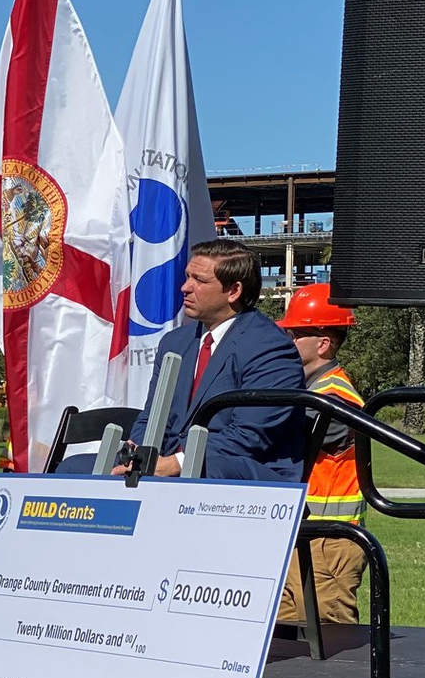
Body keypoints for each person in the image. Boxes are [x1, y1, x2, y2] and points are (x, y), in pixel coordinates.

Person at [115, 239, 307, 482]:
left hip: (240, 473)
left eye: (200, 280)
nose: (185, 287)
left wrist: (175, 464)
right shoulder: (174, 343)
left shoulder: (270, 348)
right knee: (77, 465)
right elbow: (152, 416)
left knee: (197, 472)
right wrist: (139, 454)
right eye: (188, 277)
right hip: (174, 468)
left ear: (234, 291)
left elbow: (250, 436)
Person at [275, 284, 367, 623]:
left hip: (329, 540)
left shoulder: (335, 397)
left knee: (331, 637)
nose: (288, 342)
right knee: (284, 637)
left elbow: (283, 435)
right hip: (303, 533)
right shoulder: (310, 390)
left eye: (296, 334)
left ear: (323, 343)